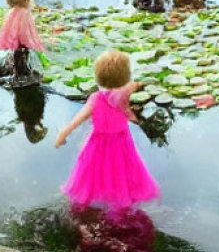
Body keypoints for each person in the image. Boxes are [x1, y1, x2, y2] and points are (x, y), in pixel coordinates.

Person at [55, 50, 160, 212]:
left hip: (98, 144)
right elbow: (134, 86)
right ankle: (121, 205)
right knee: (121, 172)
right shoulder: (126, 95)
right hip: (122, 143)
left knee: (93, 175)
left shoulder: (96, 99)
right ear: (125, 76)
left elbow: (79, 118)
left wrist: (64, 133)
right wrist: (145, 84)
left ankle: (90, 206)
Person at [0, 0, 44, 84]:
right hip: (21, 44)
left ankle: (17, 74)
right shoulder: (24, 13)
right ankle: (22, 75)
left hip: (14, 43)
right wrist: (29, 42)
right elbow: (23, 32)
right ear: (26, 0)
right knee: (22, 59)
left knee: (16, 59)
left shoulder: (12, 12)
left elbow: (6, 29)